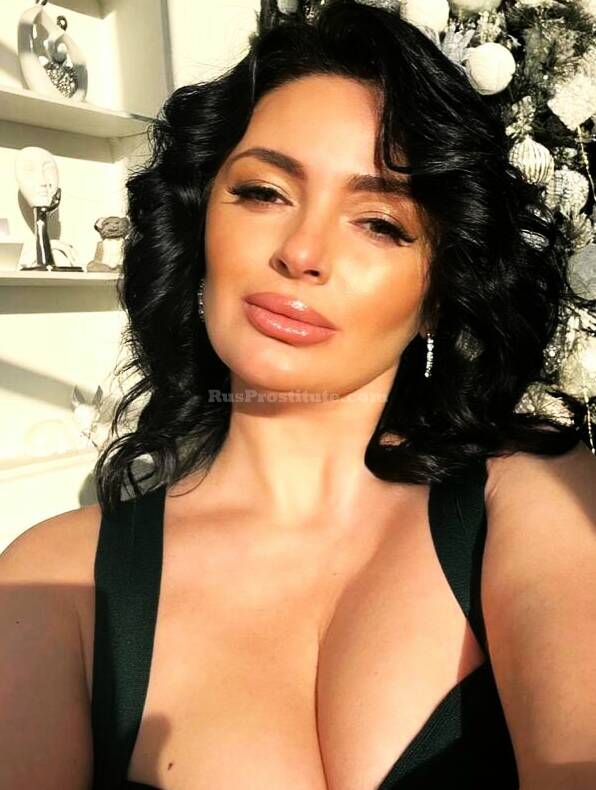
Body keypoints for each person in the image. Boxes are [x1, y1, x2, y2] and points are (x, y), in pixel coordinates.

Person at [2, 1, 596, 788]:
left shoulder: (530, 498)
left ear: (439, 291)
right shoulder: (54, 581)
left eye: (381, 223)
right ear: (199, 225)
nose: (303, 253)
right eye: (263, 192)